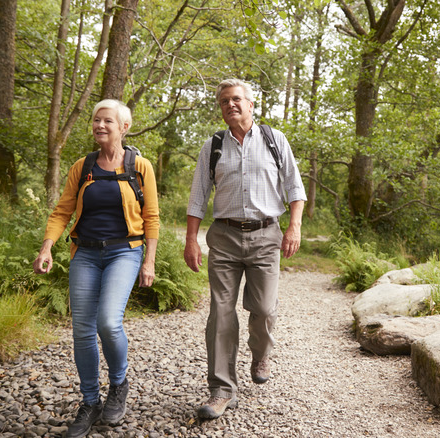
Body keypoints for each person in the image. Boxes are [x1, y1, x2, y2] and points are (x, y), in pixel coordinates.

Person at [32, 99, 160, 438]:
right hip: (84, 254)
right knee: (82, 331)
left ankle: (119, 384)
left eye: (107, 121)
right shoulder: (83, 166)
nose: (99, 126)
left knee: (108, 321)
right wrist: (47, 247)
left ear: (124, 127)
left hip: (124, 252)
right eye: (96, 120)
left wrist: (149, 261)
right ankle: (89, 402)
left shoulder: (140, 166)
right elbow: (62, 211)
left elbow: (152, 218)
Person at [184, 79, 306, 420]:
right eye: (224, 101)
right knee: (221, 312)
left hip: (267, 236)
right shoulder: (214, 145)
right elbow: (198, 197)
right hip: (223, 237)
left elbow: (294, 187)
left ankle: (261, 353)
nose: (230, 105)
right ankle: (222, 389)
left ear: (251, 105)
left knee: (264, 309)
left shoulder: (274, 139)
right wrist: (191, 239)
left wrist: (293, 226)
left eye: (237, 99)